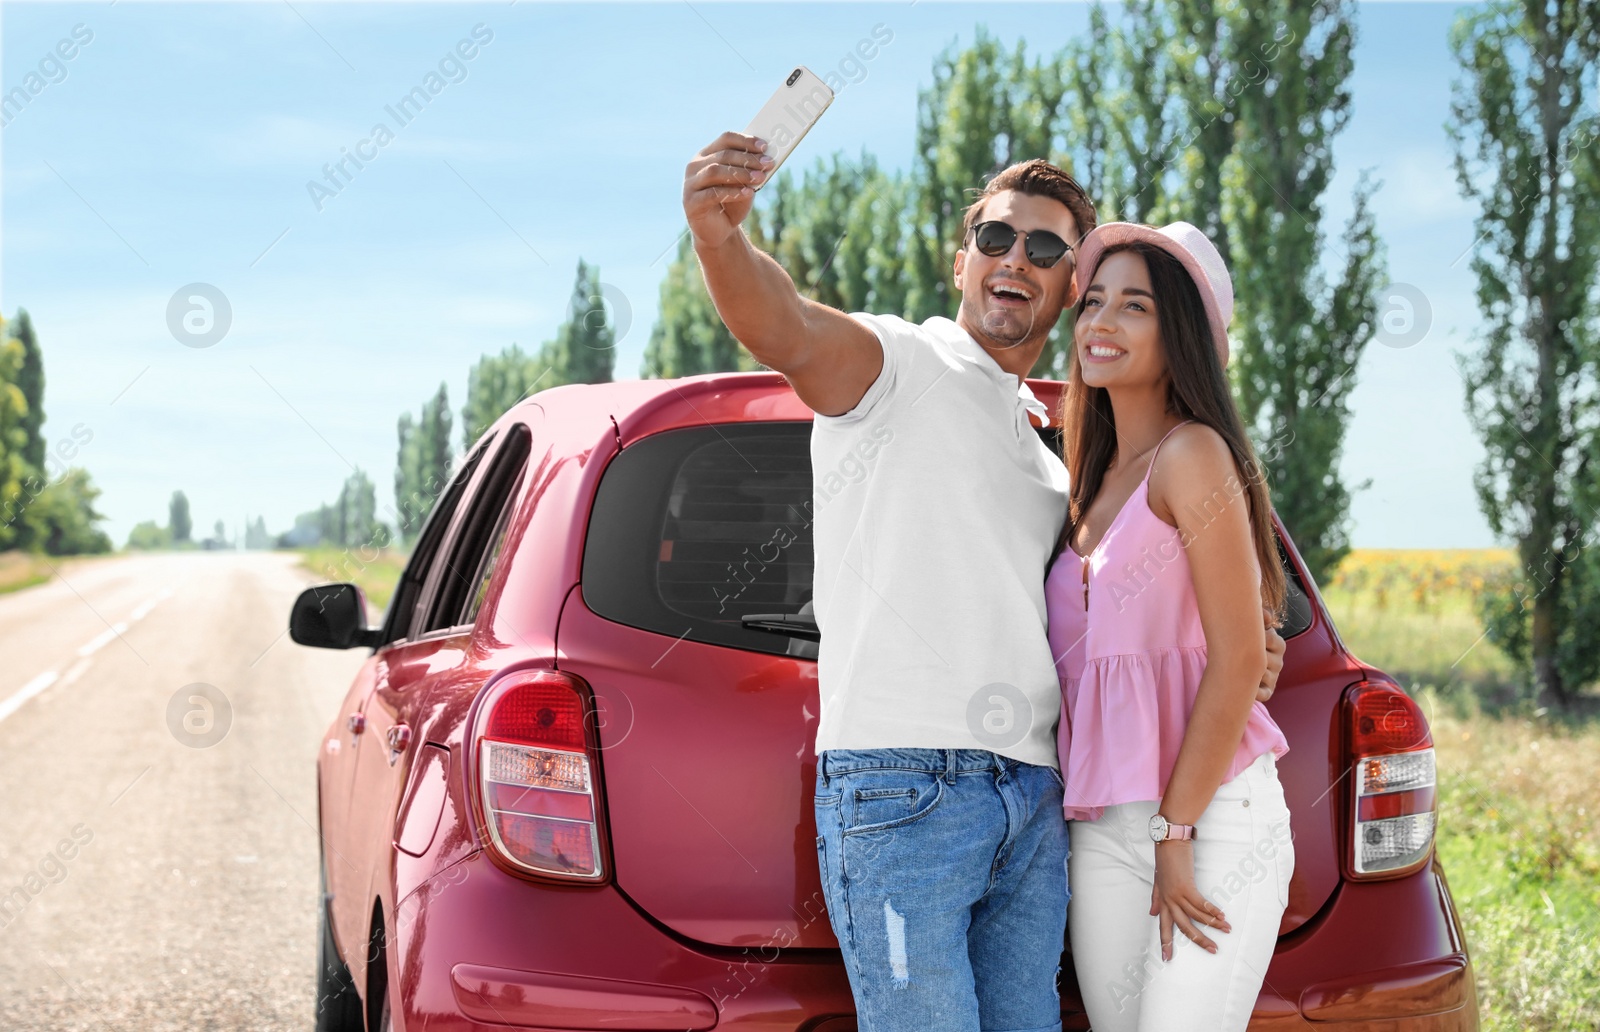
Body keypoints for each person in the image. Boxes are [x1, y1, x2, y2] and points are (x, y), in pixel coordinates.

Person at [681, 133, 1285, 1032]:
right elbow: (787, 325)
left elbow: (1122, 617)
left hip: (1039, 802)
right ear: (960, 260)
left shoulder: (1058, 466)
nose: (1017, 260)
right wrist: (719, 238)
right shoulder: (896, 366)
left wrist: (1241, 654)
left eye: (1048, 250)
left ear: (1068, 288)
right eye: (997, 239)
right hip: (904, 789)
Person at [1044, 221, 1294, 1032]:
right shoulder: (1090, 479)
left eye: (1135, 306)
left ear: (1179, 332)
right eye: (1094, 303)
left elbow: (1237, 659)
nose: (1100, 323)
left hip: (1208, 818)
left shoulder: (1193, 455)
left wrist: (1175, 833)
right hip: (1105, 827)